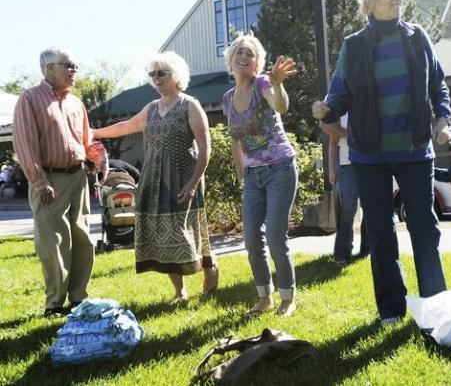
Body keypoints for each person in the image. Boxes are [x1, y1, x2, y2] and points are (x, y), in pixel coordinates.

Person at [312, 0, 451, 325]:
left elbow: (439, 85)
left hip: (415, 150)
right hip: (369, 155)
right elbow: (339, 95)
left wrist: (443, 118)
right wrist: (326, 108)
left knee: (424, 228)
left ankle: (435, 307)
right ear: (370, 0)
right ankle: (392, 308)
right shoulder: (354, 45)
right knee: (380, 232)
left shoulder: (417, 37)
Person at [92, 51, 218, 304]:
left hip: (183, 178)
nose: (156, 78)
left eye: (162, 73)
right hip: (154, 179)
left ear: (176, 75)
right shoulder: (151, 109)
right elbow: (125, 126)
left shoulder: (189, 105)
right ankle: (180, 291)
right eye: (153, 74)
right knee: (164, 234)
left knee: (188, 231)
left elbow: (206, 149)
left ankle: (209, 270)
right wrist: (93, 133)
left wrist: (193, 183)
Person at [13, 47, 108, 317]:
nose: (74, 71)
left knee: (82, 240)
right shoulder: (30, 99)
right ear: (49, 69)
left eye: (75, 66)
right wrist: (39, 181)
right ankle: (54, 303)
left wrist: (98, 160)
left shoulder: (77, 103)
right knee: (53, 243)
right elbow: (25, 144)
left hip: (78, 177)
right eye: (68, 66)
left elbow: (86, 139)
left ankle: (78, 298)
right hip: (49, 179)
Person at [222, 33, 298, 316]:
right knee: (252, 238)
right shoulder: (228, 98)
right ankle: (264, 297)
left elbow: (281, 106)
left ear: (257, 63)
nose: (244, 57)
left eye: (250, 54)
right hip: (253, 175)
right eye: (239, 52)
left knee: (276, 237)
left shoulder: (264, 83)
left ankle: (288, 298)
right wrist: (242, 176)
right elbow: (235, 141)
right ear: (231, 59)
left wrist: (278, 85)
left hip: (280, 167)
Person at [320, 114, 369, 265]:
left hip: (370, 163)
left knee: (370, 208)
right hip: (346, 165)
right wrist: (331, 171)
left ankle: (366, 250)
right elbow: (333, 141)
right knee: (348, 209)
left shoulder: (368, 101)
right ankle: (342, 253)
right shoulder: (339, 106)